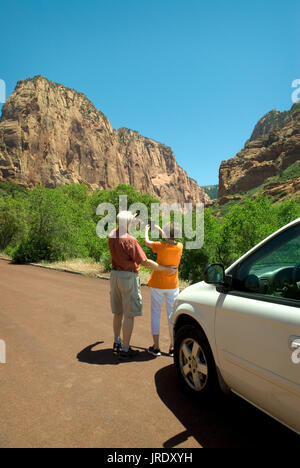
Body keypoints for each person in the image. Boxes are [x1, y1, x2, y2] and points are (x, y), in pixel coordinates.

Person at [108, 211, 177, 361]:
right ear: (127, 223)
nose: (133, 222)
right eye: (132, 220)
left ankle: (116, 341)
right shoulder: (130, 240)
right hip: (128, 277)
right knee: (129, 314)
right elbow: (145, 262)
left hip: (114, 276)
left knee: (117, 312)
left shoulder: (112, 234)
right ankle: (125, 348)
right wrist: (165, 269)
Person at [145, 222, 183, 357]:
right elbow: (170, 239)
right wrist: (161, 231)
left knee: (155, 314)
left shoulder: (159, 246)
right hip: (172, 285)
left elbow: (147, 241)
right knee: (171, 315)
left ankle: (156, 347)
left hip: (158, 284)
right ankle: (173, 347)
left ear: (166, 235)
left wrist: (146, 230)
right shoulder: (180, 247)